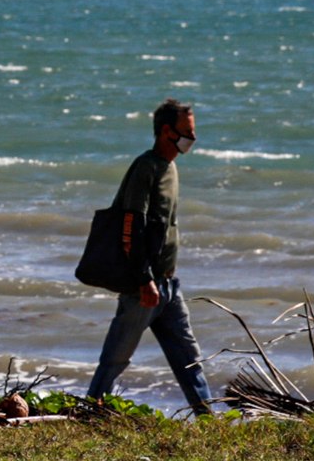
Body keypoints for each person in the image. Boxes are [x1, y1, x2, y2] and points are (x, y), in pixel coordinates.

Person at [86, 98, 214, 414]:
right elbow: (132, 223)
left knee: (188, 358)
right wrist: (143, 279)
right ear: (166, 131)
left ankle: (209, 418)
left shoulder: (171, 168)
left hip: (169, 285)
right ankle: (90, 412)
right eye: (187, 132)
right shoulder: (146, 167)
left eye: (193, 131)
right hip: (144, 286)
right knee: (115, 358)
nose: (192, 139)